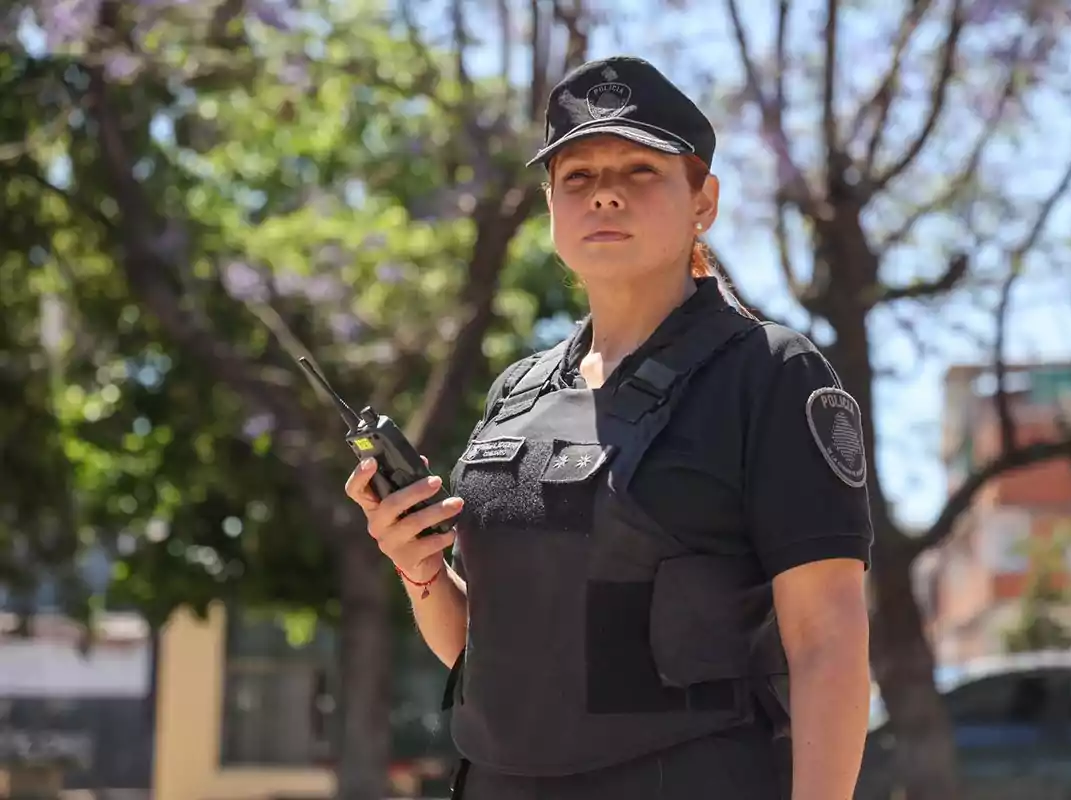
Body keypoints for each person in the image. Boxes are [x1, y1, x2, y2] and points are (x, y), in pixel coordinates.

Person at [344, 55, 873, 800]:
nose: (606, 197)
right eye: (579, 178)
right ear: (552, 206)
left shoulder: (770, 374)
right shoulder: (516, 394)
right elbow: (484, 651)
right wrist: (419, 568)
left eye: (639, 171)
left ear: (704, 201)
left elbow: (829, 642)